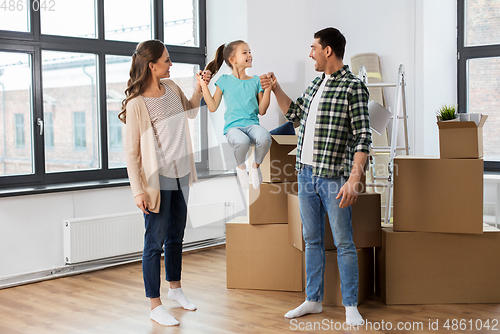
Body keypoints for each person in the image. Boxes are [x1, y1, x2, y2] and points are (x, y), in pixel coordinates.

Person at [260, 27, 371, 326]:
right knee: (312, 240)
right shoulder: (315, 84)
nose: (310, 53)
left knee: (344, 242)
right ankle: (313, 300)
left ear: (328, 51)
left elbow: (363, 138)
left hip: (334, 177)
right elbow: (293, 113)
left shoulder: (353, 87)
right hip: (305, 174)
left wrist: (354, 180)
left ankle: (350, 305)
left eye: (313, 48)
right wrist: (277, 86)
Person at [119, 40, 211, 327]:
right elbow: (132, 154)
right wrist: (138, 191)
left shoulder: (172, 89)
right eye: (167, 60)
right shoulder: (136, 104)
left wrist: (200, 88)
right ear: (152, 65)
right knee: (153, 243)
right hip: (156, 181)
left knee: (176, 236)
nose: (171, 65)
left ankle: (176, 289)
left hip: (181, 172)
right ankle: (154, 304)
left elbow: (192, 111)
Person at [196, 40, 272, 189]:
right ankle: (241, 167)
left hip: (252, 125)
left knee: (265, 137)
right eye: (245, 52)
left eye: (250, 51)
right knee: (242, 141)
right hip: (233, 128)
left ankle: (255, 166)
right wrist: (203, 85)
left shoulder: (256, 81)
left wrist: (268, 89)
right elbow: (212, 106)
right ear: (232, 60)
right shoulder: (224, 81)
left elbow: (262, 110)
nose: (250, 55)